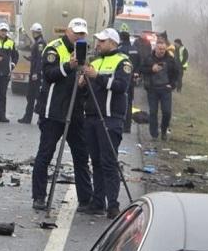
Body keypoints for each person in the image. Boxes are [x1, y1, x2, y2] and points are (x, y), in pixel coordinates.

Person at [31, 18, 93, 212]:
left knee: (81, 156)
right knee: (45, 154)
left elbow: (86, 86)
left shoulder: (86, 52)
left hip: (75, 111)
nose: (79, 37)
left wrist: (84, 83)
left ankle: (86, 199)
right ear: (68, 31)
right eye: (76, 33)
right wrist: (69, 66)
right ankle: (39, 197)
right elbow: (49, 75)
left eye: (82, 34)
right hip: (53, 111)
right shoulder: (54, 48)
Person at [81, 28, 132, 219]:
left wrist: (97, 77)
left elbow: (121, 86)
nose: (98, 44)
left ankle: (113, 205)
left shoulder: (123, 61)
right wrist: (83, 83)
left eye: (102, 41)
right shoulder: (94, 62)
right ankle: (97, 202)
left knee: (109, 162)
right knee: (96, 162)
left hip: (110, 118)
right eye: (98, 41)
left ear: (112, 42)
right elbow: (89, 91)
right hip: (92, 117)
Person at [142, 36, 178, 141]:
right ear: (155, 48)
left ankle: (163, 130)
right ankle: (154, 133)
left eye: (163, 49)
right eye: (159, 49)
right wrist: (151, 69)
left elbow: (176, 73)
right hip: (152, 89)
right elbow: (142, 69)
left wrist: (172, 85)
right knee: (153, 112)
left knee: (167, 112)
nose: (161, 51)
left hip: (165, 89)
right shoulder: (149, 58)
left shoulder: (170, 59)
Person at [19, 23, 46, 124]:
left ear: (35, 32)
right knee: (30, 96)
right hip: (35, 72)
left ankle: (39, 118)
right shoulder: (38, 42)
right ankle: (28, 117)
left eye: (33, 32)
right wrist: (30, 58)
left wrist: (36, 73)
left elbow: (40, 59)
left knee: (35, 96)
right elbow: (36, 57)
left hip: (36, 74)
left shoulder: (40, 43)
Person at [117, 30, 140, 133]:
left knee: (121, 101)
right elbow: (139, 62)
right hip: (132, 80)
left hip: (122, 79)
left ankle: (121, 124)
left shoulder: (120, 50)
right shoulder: (135, 49)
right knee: (129, 103)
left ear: (121, 39)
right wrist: (137, 73)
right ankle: (127, 126)